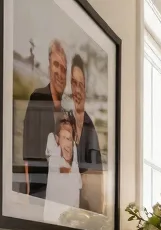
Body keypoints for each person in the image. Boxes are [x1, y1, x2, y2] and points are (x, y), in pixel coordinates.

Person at [23, 39, 69, 199]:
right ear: (49, 67)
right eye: (56, 65)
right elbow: (29, 154)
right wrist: (30, 197)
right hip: (40, 192)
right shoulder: (38, 98)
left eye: (63, 68)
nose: (59, 72)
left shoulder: (67, 109)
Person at [70, 54, 104, 214]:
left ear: (85, 89)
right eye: (73, 84)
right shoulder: (64, 122)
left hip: (86, 211)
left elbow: (97, 180)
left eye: (81, 85)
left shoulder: (90, 129)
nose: (77, 90)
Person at [45, 116, 82, 209]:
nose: (68, 143)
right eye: (64, 138)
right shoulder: (53, 147)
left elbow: (77, 183)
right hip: (56, 205)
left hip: (71, 206)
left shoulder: (73, 152)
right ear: (57, 139)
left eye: (69, 139)